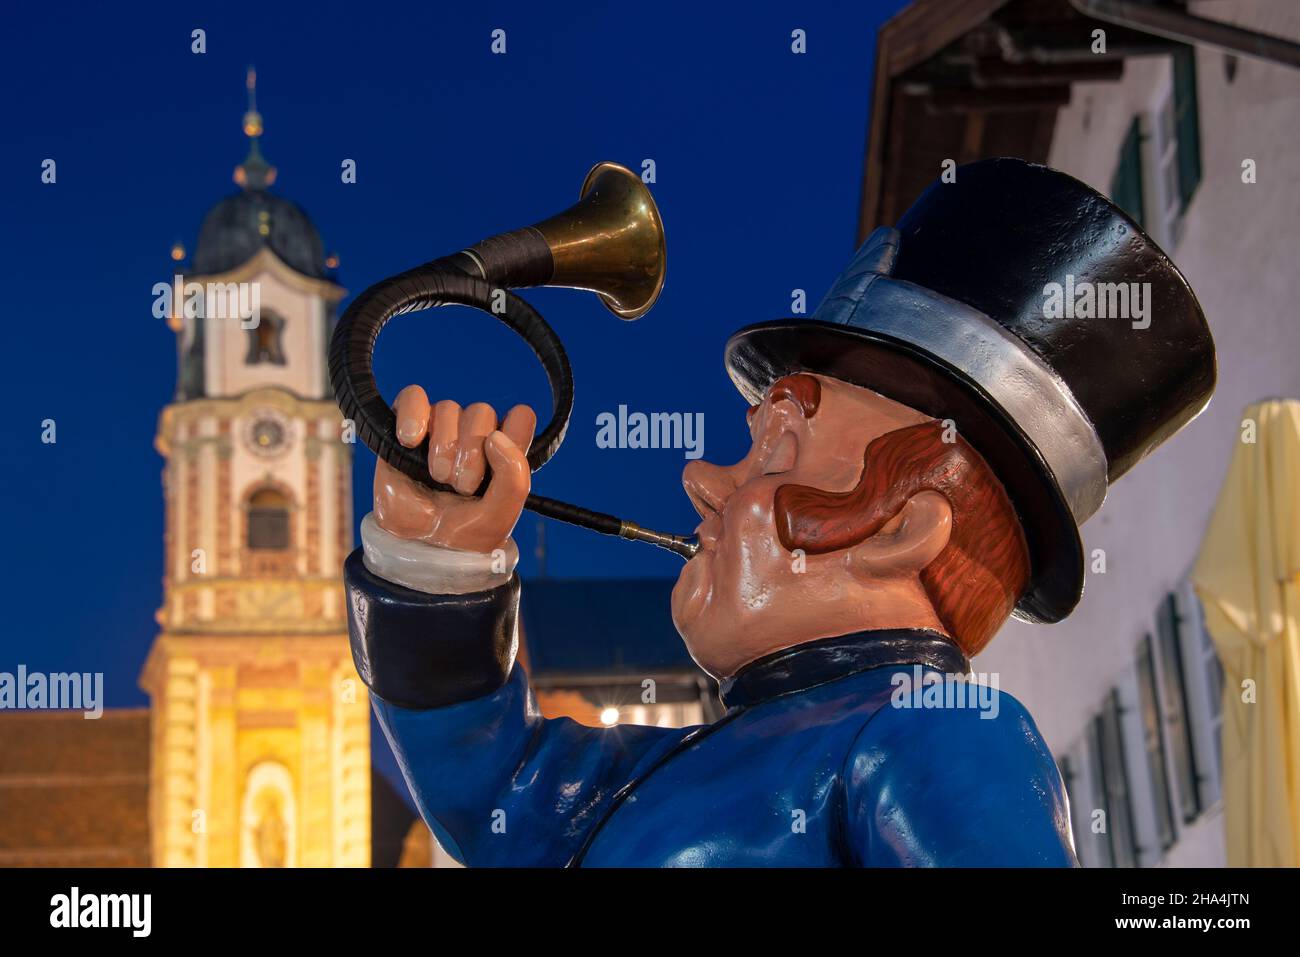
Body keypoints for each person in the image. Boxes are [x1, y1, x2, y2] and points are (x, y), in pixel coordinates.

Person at [345, 159, 1216, 866]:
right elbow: (496, 795)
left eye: (775, 452)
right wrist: (438, 568)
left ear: (905, 528)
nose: (699, 477)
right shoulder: (682, 764)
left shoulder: (935, 732)